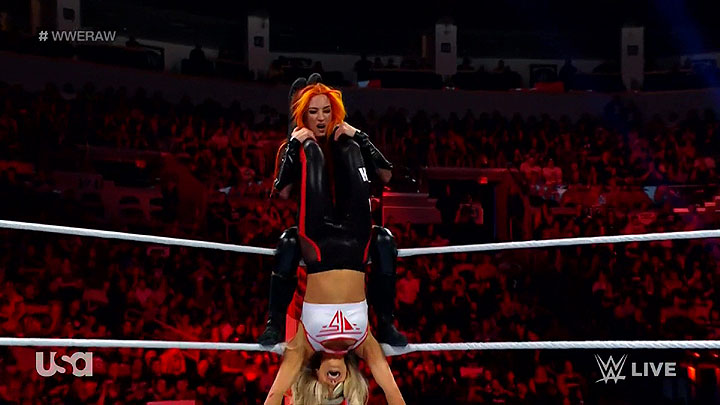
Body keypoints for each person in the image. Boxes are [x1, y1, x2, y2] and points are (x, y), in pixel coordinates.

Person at [263, 82, 404, 405]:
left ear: (314, 376)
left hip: (319, 244)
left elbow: (274, 395)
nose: (334, 384)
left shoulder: (304, 346)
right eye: (339, 393)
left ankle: (272, 321)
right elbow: (393, 393)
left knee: (315, 151)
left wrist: (298, 141)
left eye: (326, 111)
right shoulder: (364, 344)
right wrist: (357, 137)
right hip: (355, 244)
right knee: (346, 147)